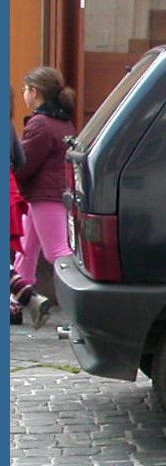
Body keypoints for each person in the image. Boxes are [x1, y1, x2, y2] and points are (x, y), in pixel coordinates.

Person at [13, 67, 76, 300]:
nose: (24, 95)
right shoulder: (63, 122)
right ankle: (17, 300)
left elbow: (26, 162)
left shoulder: (40, 123)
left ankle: (79, 302)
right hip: (51, 193)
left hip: (44, 196)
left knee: (57, 252)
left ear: (34, 91)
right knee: (25, 249)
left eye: (25, 90)